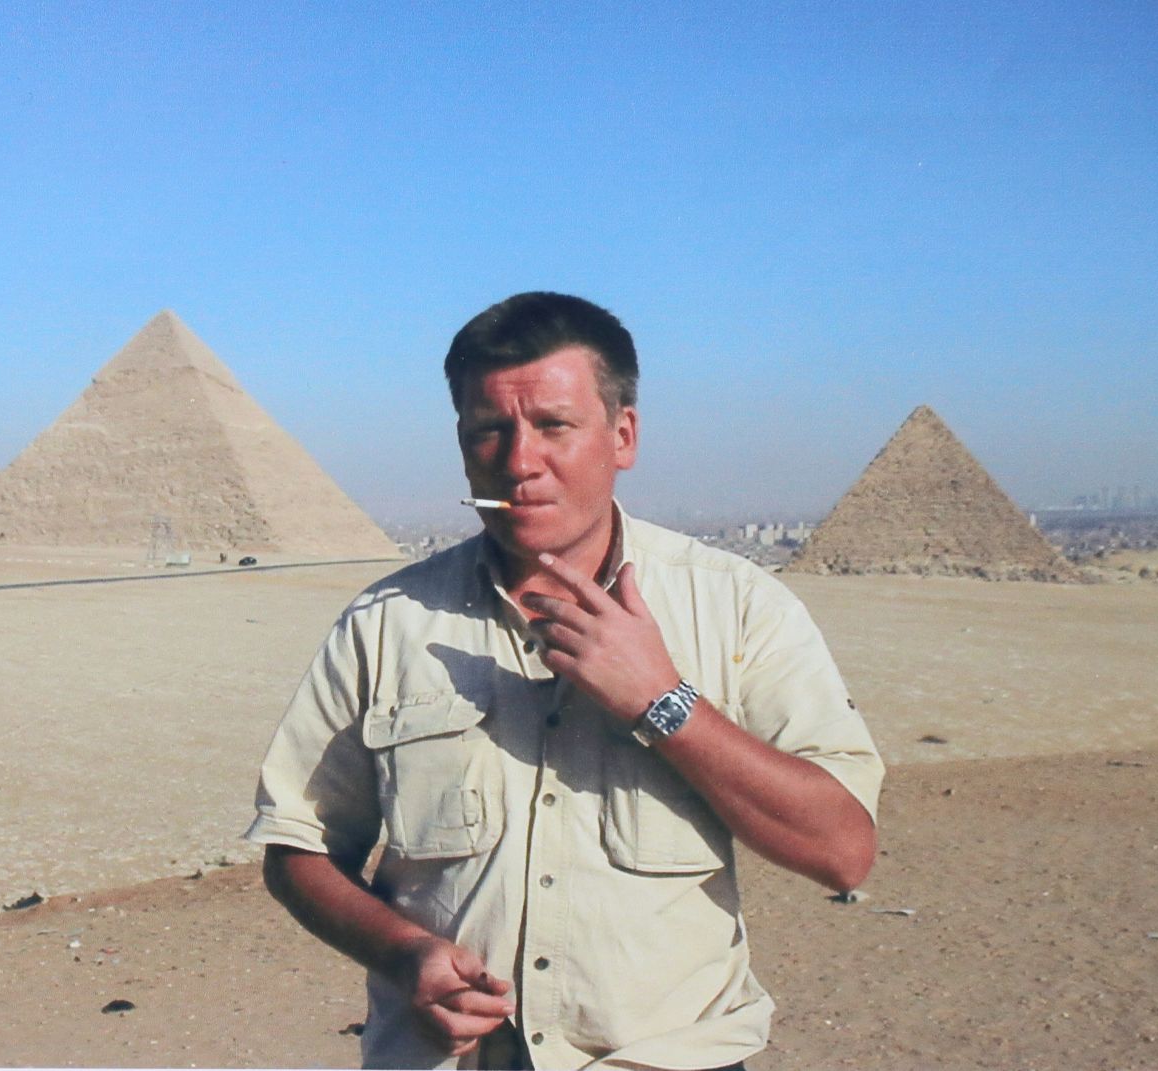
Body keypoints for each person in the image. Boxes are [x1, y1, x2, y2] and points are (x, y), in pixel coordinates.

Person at [246, 292, 883, 1070]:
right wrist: (403, 951)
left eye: (554, 425)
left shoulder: (738, 608)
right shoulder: (386, 624)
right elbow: (299, 844)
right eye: (489, 430)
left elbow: (843, 850)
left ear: (623, 434)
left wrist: (665, 703)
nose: (519, 462)